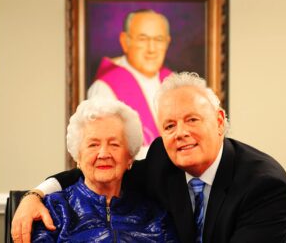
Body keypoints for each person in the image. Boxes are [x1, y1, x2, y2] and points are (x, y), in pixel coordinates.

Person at [12, 72, 286, 243]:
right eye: (169, 125)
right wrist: (34, 195)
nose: (181, 133)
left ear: (218, 121)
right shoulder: (163, 161)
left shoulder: (264, 187)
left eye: (192, 120)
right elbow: (102, 170)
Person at [30, 98, 178, 242]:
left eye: (114, 144)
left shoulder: (156, 216)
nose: (103, 154)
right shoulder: (54, 211)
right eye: (93, 145)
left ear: (129, 157)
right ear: (78, 156)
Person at [87, 9, 172, 158]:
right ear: (125, 41)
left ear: (167, 42)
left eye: (158, 39)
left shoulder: (174, 82)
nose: (151, 49)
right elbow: (104, 150)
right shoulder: (105, 88)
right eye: (143, 39)